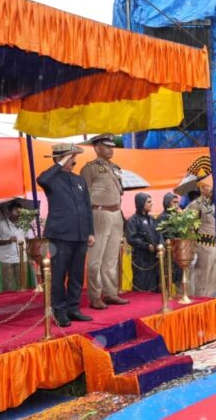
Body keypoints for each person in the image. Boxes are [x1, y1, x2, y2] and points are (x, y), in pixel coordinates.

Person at [37, 143, 95, 327]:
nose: (74, 161)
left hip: (80, 235)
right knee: (58, 275)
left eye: (73, 158)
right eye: (70, 158)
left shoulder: (79, 181)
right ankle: (59, 311)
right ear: (60, 159)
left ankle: (73, 308)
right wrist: (60, 163)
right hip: (60, 235)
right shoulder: (52, 179)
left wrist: (90, 232)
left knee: (77, 274)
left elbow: (87, 208)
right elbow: (42, 179)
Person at [80, 133, 129, 310]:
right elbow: (83, 197)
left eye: (112, 146)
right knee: (96, 259)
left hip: (116, 212)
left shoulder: (115, 167)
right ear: (97, 147)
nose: (111, 149)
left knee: (111, 258)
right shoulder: (89, 168)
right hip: (99, 212)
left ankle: (110, 293)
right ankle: (95, 295)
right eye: (107, 146)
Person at [186, 157, 216, 297]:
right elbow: (189, 227)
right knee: (202, 278)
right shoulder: (196, 205)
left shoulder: (213, 204)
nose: (212, 187)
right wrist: (192, 248)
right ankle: (200, 303)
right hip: (203, 245)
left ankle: (210, 304)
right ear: (201, 188)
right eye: (208, 185)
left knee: (214, 277)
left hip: (214, 245)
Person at [126, 193, 163, 292]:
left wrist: (161, 244)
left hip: (154, 258)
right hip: (141, 259)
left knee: (155, 286)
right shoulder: (132, 220)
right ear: (141, 203)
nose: (152, 204)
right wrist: (146, 246)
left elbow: (160, 234)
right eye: (149, 202)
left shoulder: (152, 219)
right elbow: (131, 238)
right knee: (141, 285)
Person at [0, 201, 29, 291]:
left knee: (22, 286)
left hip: (22, 259)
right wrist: (7, 241)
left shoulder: (24, 223)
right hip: (7, 259)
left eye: (20, 211)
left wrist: (29, 254)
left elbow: (27, 238)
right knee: (7, 287)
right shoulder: (1, 224)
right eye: (15, 210)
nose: (18, 213)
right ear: (10, 211)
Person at [157, 192, 184, 287]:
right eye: (174, 202)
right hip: (168, 252)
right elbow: (160, 235)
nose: (177, 205)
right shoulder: (162, 217)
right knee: (168, 276)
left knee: (180, 277)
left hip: (179, 252)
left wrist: (182, 218)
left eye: (177, 202)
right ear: (168, 203)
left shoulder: (179, 216)